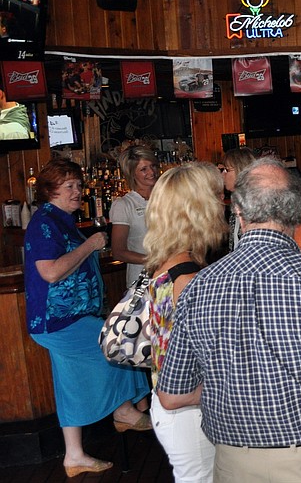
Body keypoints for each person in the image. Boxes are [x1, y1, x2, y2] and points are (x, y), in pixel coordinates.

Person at [156, 157, 301, 482]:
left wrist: (233, 387)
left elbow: (171, 395)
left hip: (234, 464)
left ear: (237, 210)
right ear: (300, 213)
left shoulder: (197, 288)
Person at [24, 159, 151, 478]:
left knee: (69, 384)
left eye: (79, 185)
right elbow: (50, 272)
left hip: (67, 317)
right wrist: (92, 245)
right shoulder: (44, 222)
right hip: (57, 320)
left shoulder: (61, 220)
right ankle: (124, 411)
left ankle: (73, 455)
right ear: (50, 190)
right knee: (116, 343)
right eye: (69, 186)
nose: (78, 191)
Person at [146, 162, 228, 483]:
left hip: (169, 404)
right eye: (216, 197)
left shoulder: (166, 264)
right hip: (188, 408)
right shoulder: (190, 277)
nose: (223, 203)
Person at [110, 145, 159, 286]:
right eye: (143, 169)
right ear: (132, 173)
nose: (151, 172)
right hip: (142, 279)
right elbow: (118, 252)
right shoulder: (124, 204)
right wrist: (153, 260)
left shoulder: (166, 198)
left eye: (153, 166)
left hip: (172, 273)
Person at [220, 147, 257, 251]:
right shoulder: (236, 202)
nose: (222, 174)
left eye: (226, 170)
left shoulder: (256, 206)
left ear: (241, 171)